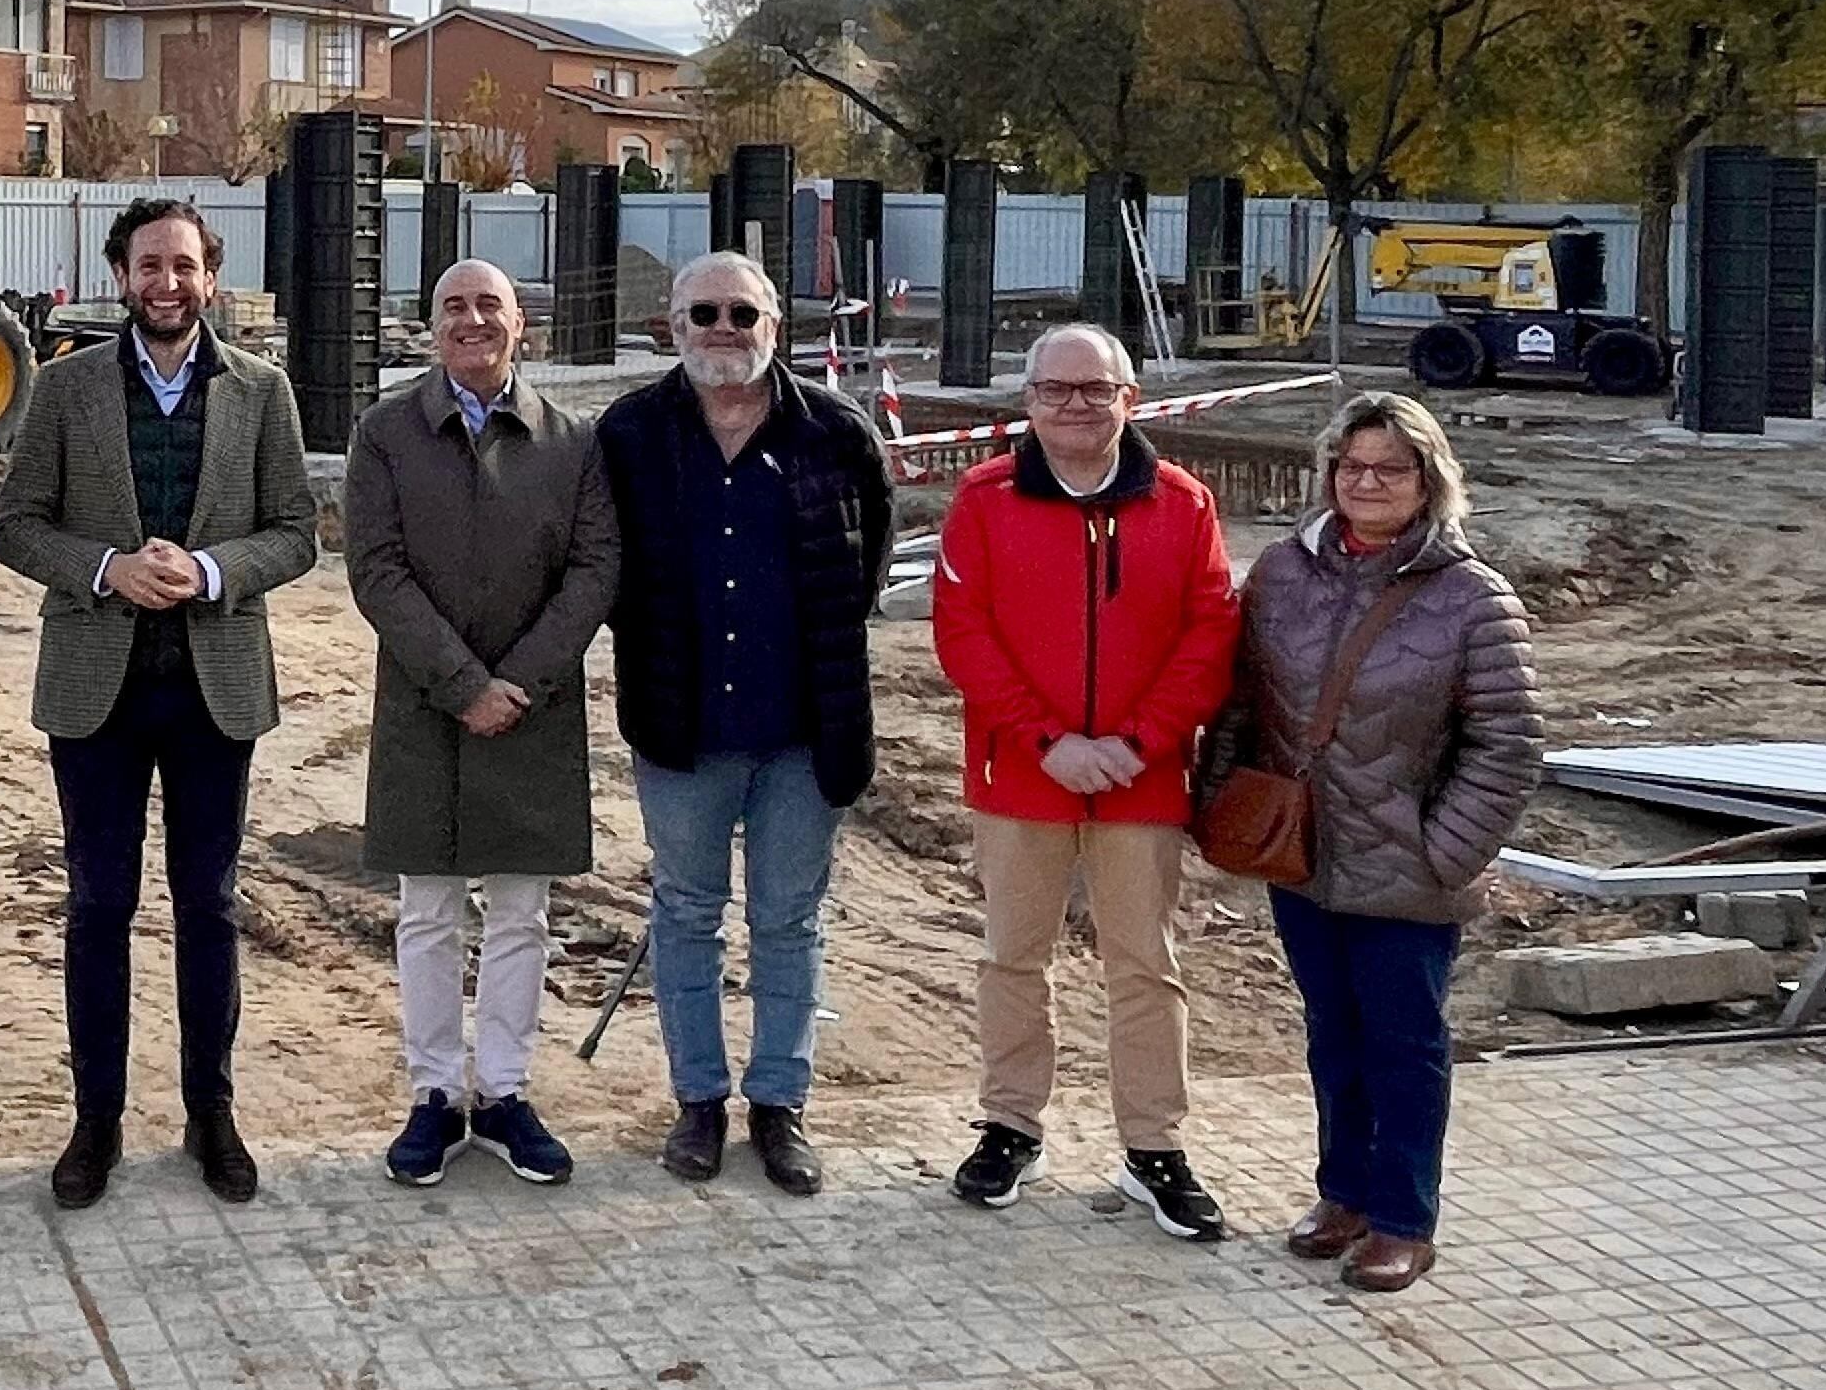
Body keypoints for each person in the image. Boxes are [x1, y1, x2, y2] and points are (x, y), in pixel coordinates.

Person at [0, 195, 317, 1210]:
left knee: (209, 906)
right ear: (120, 274)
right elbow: (14, 525)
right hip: (98, 693)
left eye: (184, 265)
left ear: (210, 273)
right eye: (148, 266)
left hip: (215, 690)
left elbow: (298, 529)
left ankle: (211, 1111)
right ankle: (97, 1119)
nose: (166, 283)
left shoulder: (262, 391)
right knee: (97, 907)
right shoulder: (65, 387)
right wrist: (105, 569)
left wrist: (213, 570)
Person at [930, 324, 1241, 1239]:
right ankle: (1010, 1125)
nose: (1075, 405)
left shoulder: (1184, 506)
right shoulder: (983, 501)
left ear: (1129, 400)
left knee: (1144, 964)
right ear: (1027, 402)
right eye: (1055, 390)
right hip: (1022, 776)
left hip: (1140, 781)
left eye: (1094, 390)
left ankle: (1155, 1146)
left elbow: (1210, 635)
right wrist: (1047, 742)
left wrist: (1139, 742)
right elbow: (963, 635)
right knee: (1013, 957)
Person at [1227, 394, 1542, 1293]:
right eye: (1351, 466)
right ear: (1329, 473)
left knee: (1405, 1043)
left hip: (1410, 871)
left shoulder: (1471, 598)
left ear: (1429, 482)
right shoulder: (1285, 574)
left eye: (1390, 469)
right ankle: (1344, 1195)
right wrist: (1223, 807)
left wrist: (1445, 851)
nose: (1367, 483)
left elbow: (1510, 744)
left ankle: (1404, 1216)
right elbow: (1243, 702)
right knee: (1332, 1033)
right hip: (1305, 857)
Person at [594, 251, 893, 1196]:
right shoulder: (632, 435)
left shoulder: (837, 435)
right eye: (703, 316)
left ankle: (779, 1105)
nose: (724, 332)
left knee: (789, 922)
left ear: (775, 325)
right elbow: (602, 567)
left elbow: (868, 564)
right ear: (672, 329)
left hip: (804, 735)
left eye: (742, 314)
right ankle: (698, 1101)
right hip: (681, 728)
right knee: (685, 915)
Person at [344, 260, 619, 1185]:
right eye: (453, 306)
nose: (472, 321)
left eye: (489, 306)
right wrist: (461, 683)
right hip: (426, 705)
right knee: (426, 907)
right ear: (430, 329)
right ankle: (432, 1094)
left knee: (519, 910)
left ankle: (502, 1092)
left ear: (521, 327)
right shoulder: (385, 434)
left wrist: (521, 682)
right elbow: (375, 570)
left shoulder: (570, 442)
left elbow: (592, 572)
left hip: (532, 710)